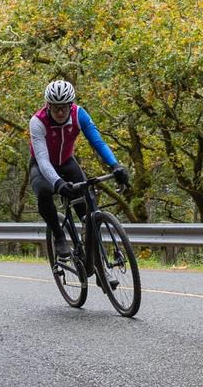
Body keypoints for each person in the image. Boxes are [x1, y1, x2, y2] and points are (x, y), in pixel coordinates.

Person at [28, 80, 130, 264]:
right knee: (44, 192)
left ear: (70, 104)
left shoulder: (79, 114)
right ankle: (59, 236)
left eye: (64, 108)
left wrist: (115, 166)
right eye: (56, 108)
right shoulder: (37, 122)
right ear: (48, 105)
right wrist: (57, 183)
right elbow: (42, 159)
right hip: (42, 167)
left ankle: (96, 259)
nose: (60, 112)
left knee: (89, 211)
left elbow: (98, 142)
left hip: (67, 163)